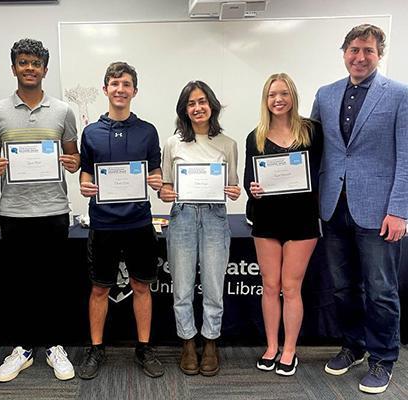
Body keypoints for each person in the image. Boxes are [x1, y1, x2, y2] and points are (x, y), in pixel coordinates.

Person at [311, 24, 408, 394]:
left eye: (368, 50)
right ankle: (353, 346)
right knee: (342, 288)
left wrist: (399, 209)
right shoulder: (326, 94)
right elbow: (313, 150)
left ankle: (383, 358)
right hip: (334, 208)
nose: (360, 57)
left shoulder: (399, 95)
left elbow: (406, 156)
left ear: (379, 53)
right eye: (354, 49)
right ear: (344, 52)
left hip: (380, 210)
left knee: (381, 289)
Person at [0, 38, 80, 382]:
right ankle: (23, 348)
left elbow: (74, 156)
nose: (29, 68)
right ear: (14, 68)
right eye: (23, 62)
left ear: (45, 70)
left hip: (54, 209)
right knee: (19, 283)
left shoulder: (63, 111)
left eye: (35, 63)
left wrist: (72, 162)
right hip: (14, 211)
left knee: (54, 282)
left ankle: (54, 345)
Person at [78, 61, 164, 380]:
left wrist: (156, 180)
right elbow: (86, 174)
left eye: (126, 84)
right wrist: (84, 184)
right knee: (100, 289)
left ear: (134, 91)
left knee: (141, 285)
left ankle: (143, 347)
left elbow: (154, 171)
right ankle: (96, 348)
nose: (120, 89)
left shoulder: (148, 130)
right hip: (103, 224)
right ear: (105, 89)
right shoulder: (91, 132)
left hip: (139, 223)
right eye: (114, 83)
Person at [244, 73, 322, 376]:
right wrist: (255, 188)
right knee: (270, 285)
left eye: (284, 93)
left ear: (293, 96)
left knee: (291, 288)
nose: (278, 99)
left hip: (302, 220)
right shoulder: (256, 136)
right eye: (272, 94)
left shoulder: (312, 131)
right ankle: (271, 346)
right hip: (266, 218)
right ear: (265, 100)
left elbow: (323, 172)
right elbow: (252, 179)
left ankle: (289, 349)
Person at [159, 81, 240, 376]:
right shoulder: (172, 143)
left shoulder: (228, 144)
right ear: (184, 110)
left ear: (212, 105)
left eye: (202, 101)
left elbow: (232, 186)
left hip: (215, 217)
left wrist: (234, 191)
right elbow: (166, 187)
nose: (197, 108)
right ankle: (188, 343)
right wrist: (164, 193)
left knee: (214, 287)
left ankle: (210, 342)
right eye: (191, 103)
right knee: (181, 287)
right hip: (182, 217)